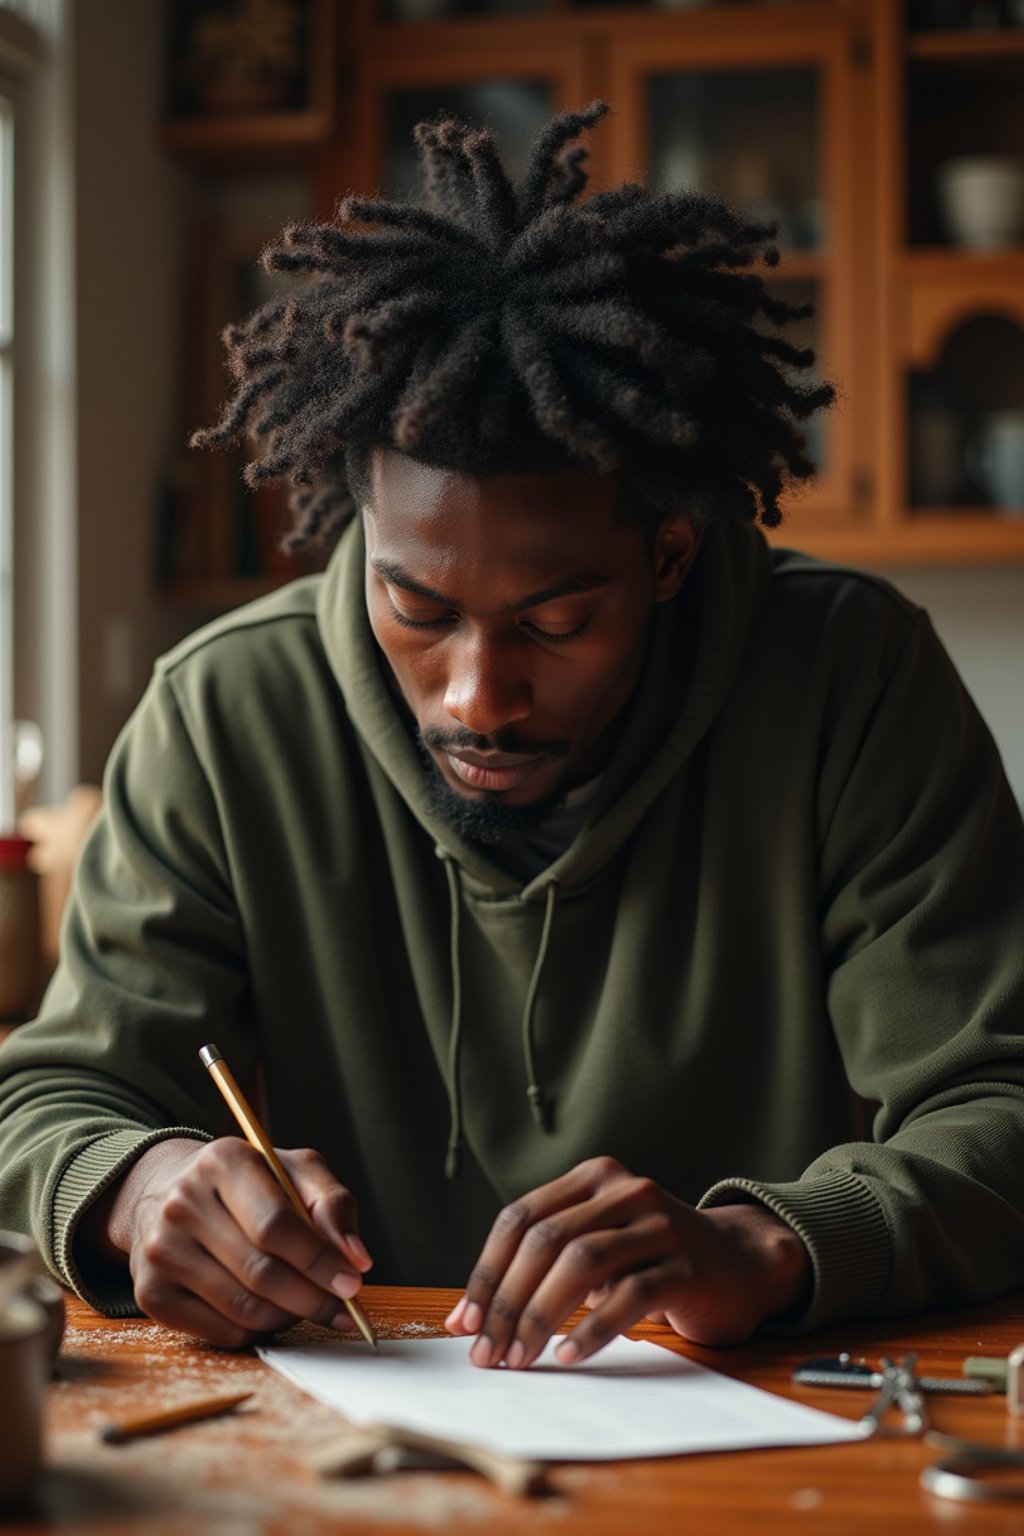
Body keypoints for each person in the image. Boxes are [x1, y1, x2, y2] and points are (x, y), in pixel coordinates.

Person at [1, 103, 1022, 1373]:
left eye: (555, 619)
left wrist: (767, 1246)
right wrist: (138, 1185)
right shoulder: (220, 715)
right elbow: (45, 1098)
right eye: (415, 608)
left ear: (666, 554)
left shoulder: (849, 678)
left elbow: (1002, 1103)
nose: (477, 697)